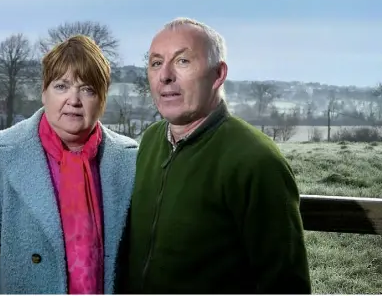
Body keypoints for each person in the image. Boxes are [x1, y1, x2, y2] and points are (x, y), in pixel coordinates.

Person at [117, 18, 311, 294]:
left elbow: (286, 284)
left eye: (182, 61)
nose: (165, 76)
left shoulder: (256, 160)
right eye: (156, 63)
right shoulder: (149, 141)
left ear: (218, 74)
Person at [0, 35, 138, 294]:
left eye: (87, 89)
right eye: (61, 86)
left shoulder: (129, 159)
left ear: (102, 99)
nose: (73, 100)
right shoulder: (2, 154)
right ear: (44, 92)